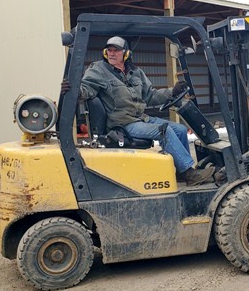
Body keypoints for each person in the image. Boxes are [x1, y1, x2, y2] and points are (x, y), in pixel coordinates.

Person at [62, 36, 214, 185]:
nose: (112, 53)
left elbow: (150, 96)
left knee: (180, 129)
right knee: (164, 131)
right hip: (122, 123)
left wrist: (172, 92)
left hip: (141, 118)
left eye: (116, 50)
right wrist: (73, 90)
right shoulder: (98, 70)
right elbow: (86, 88)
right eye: (109, 50)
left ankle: (181, 172)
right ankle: (190, 174)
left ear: (126, 54)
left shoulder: (136, 73)